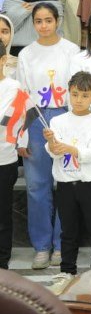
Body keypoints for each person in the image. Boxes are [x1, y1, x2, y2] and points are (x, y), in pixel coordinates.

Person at [18, 3, 80, 269]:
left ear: (57, 21)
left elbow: (78, 89)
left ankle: (62, 243)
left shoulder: (72, 51)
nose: (43, 26)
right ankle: (42, 246)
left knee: (65, 183)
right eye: (38, 21)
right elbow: (21, 96)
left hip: (66, 116)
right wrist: (22, 136)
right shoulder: (26, 54)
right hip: (35, 119)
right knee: (36, 185)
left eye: (48, 20)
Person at [44, 72, 91, 295]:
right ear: (68, 93)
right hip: (65, 183)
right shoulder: (57, 121)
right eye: (75, 94)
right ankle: (67, 271)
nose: (79, 100)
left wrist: (70, 149)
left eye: (84, 95)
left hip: (89, 183)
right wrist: (52, 145)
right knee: (68, 230)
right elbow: (53, 152)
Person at [0, 41, 22, 270]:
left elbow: (6, 120)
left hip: (4, 159)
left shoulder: (14, 87)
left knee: (3, 213)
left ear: (3, 60)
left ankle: (2, 259)